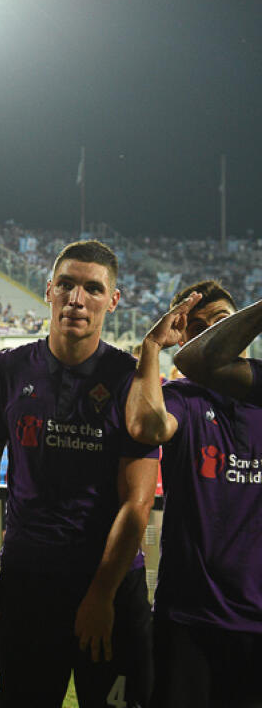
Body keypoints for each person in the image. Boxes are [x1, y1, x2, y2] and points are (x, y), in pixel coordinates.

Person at [0, 240, 158, 708]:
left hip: (110, 587)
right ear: (48, 291)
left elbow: (137, 502)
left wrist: (102, 594)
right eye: (65, 284)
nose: (76, 299)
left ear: (113, 300)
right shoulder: (7, 370)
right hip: (28, 584)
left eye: (92, 288)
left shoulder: (129, 379)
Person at [125, 281, 262, 707]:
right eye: (196, 326)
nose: (208, 334)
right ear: (182, 336)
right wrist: (151, 347)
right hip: (188, 616)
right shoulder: (182, 398)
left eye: (220, 323)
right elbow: (147, 427)